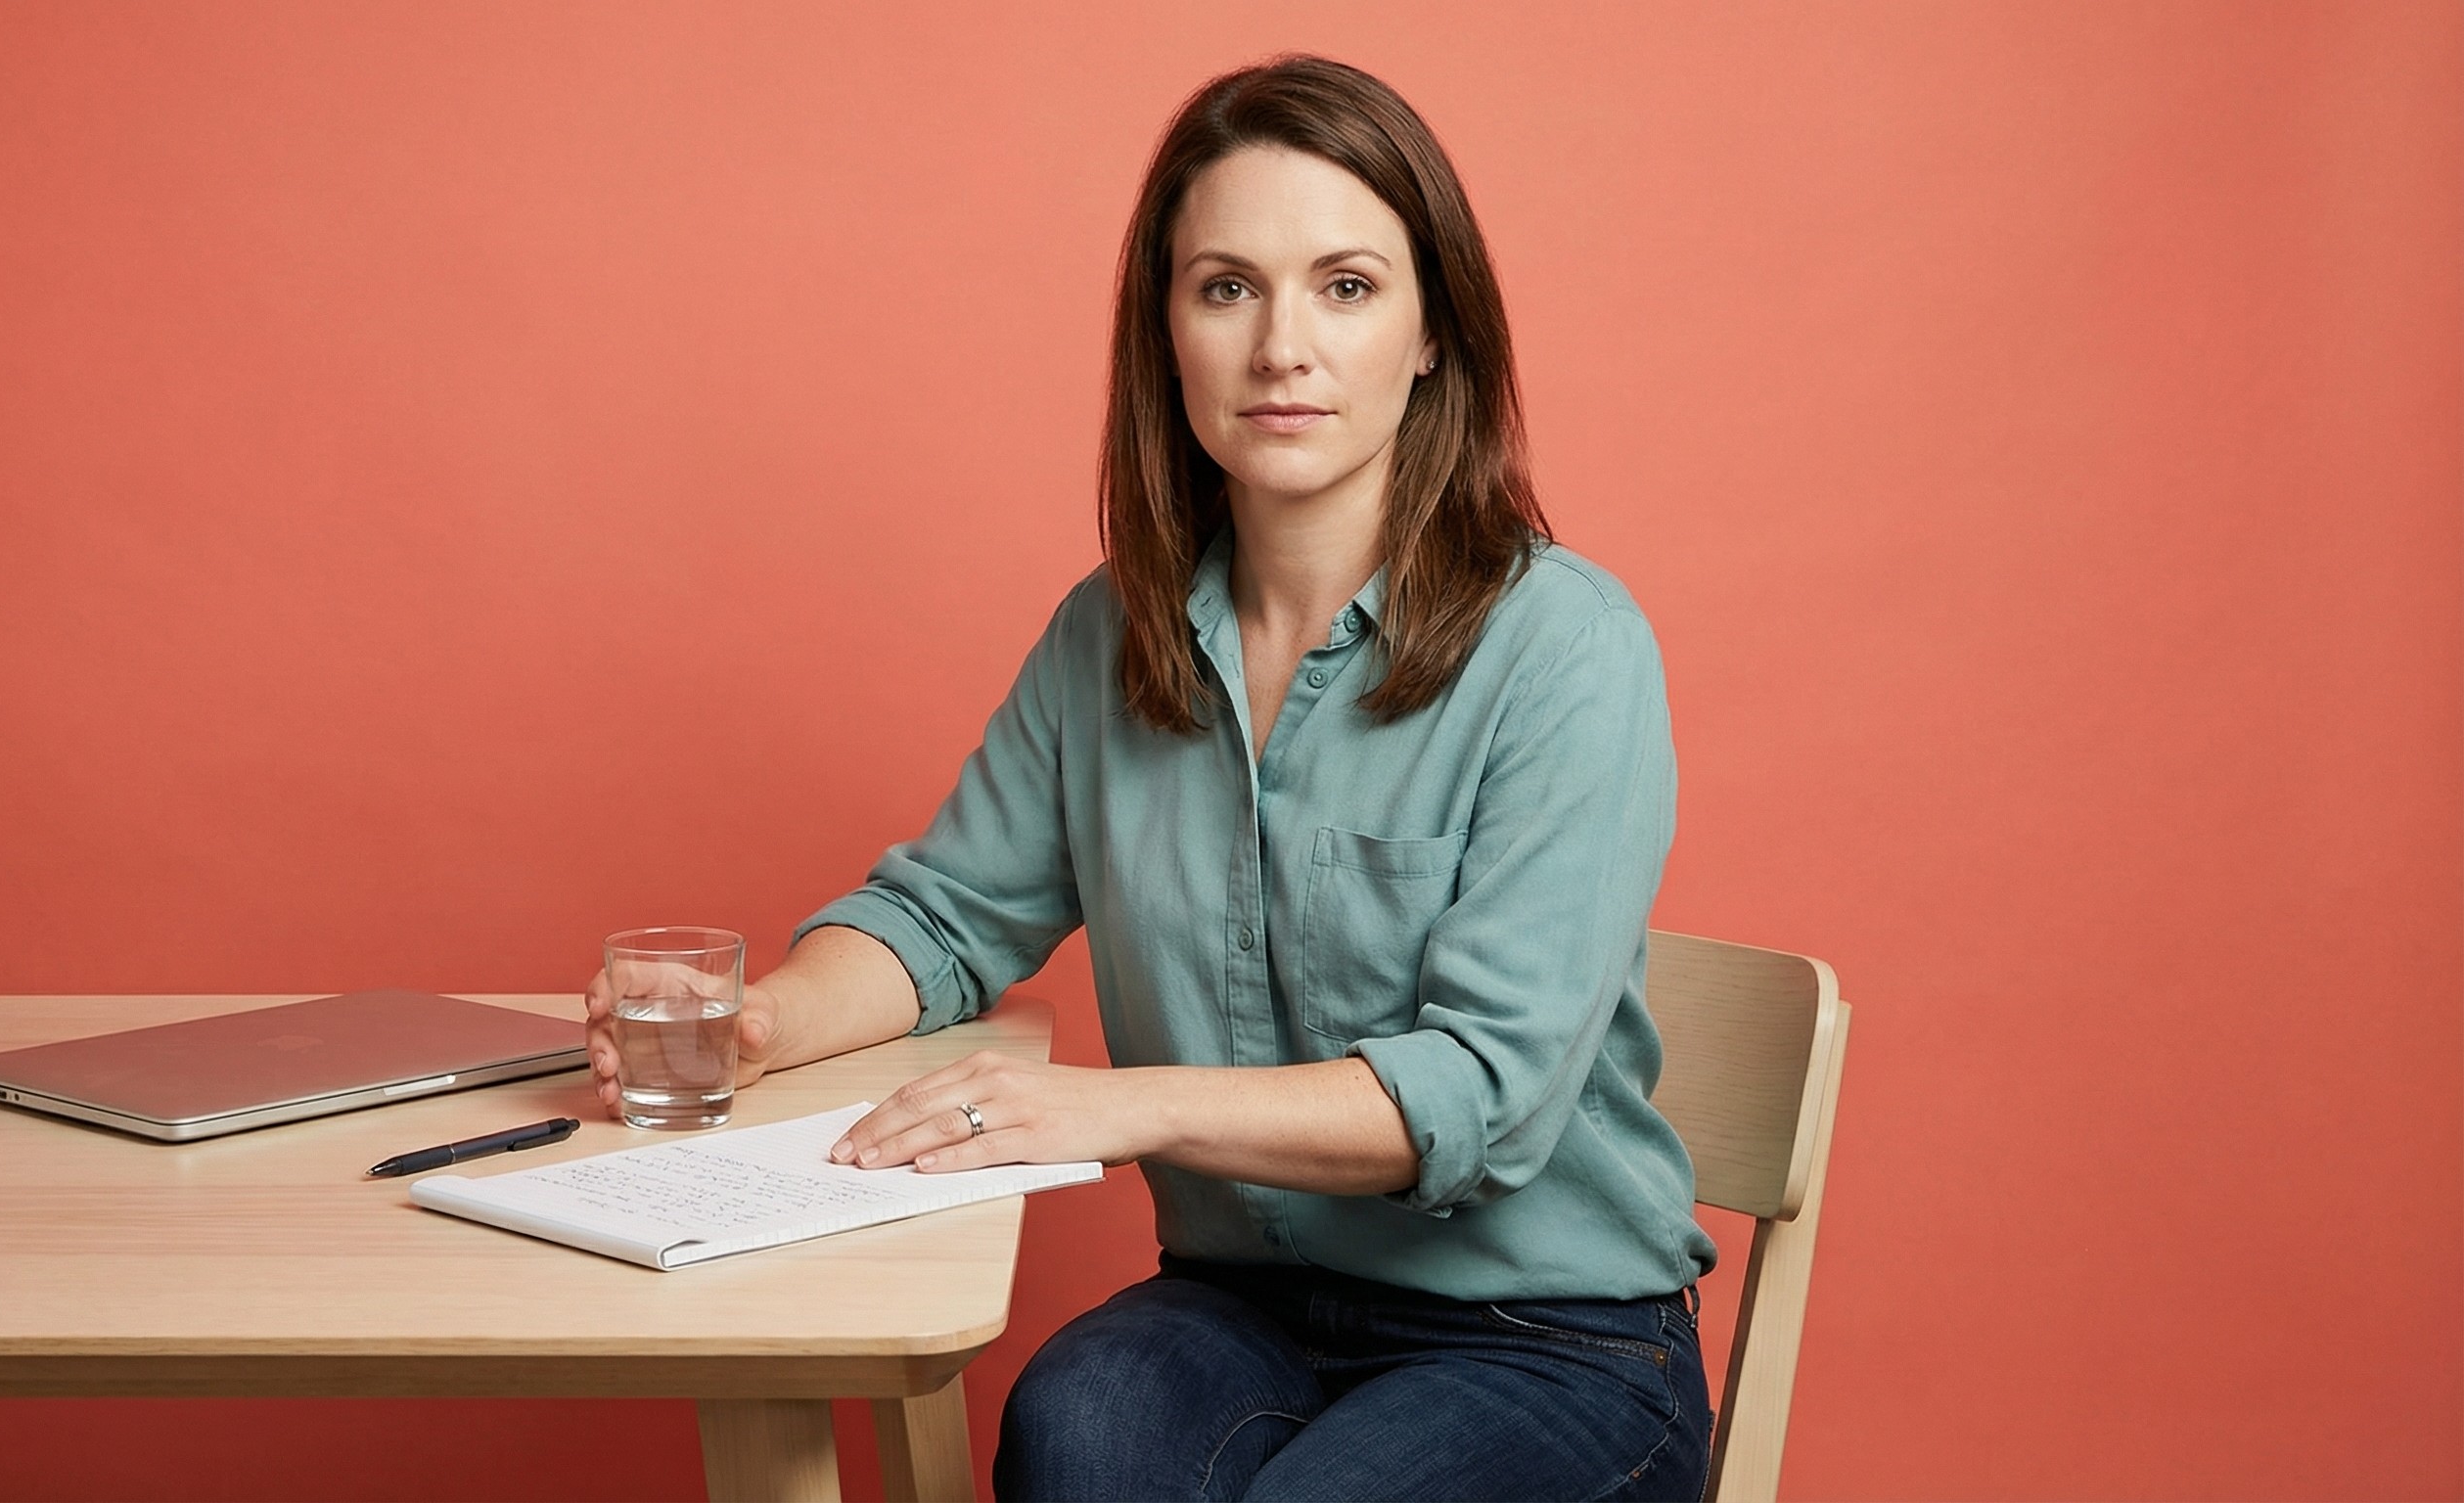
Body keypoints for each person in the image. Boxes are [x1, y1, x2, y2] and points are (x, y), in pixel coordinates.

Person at [584, 54, 1717, 1502]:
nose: (1282, 350)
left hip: (1552, 1345)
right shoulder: (1108, 637)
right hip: (1241, 1312)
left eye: (1348, 287)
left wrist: (1126, 1107)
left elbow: (1484, 1097)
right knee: (1077, 1430)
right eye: (1227, 287)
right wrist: (766, 1020)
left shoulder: (1567, 648)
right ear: (1166, 331)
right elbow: (942, 919)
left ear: (1435, 332)